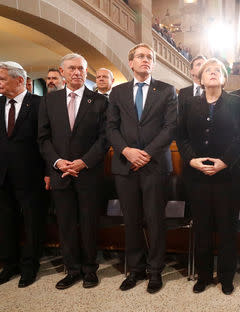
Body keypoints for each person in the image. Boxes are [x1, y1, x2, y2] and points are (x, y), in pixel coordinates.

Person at [106, 43, 177, 293]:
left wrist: (146, 153)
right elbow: (110, 128)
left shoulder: (167, 91)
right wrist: (126, 151)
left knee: (155, 220)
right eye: (141, 56)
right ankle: (134, 269)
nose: (145, 60)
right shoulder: (117, 92)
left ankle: (155, 270)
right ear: (131, 62)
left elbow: (170, 128)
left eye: (150, 57)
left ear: (153, 64)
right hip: (125, 166)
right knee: (132, 220)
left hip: (154, 165)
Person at [38, 53, 108, 290]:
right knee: (66, 224)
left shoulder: (99, 101)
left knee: (88, 224)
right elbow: (43, 138)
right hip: (60, 173)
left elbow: (104, 139)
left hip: (88, 173)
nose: (77, 72)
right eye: (72, 68)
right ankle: (72, 270)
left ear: (86, 72)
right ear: (62, 71)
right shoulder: (49, 101)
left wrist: (83, 162)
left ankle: (90, 270)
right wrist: (58, 162)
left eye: (81, 68)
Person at [177, 58, 240, 295]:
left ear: (225, 79)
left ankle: (226, 276)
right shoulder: (188, 103)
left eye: (218, 71)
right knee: (202, 227)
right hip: (197, 175)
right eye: (209, 71)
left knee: (228, 227)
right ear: (200, 78)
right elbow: (181, 137)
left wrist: (224, 162)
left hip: (228, 175)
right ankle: (204, 275)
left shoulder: (236, 102)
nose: (213, 73)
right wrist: (192, 160)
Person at [0, 61, 45, 288]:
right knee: (6, 221)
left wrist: (48, 172)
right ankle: (9, 264)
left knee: (31, 222)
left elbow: (46, 141)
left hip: (31, 173)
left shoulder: (39, 103)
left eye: (2, 79)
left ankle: (30, 266)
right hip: (3, 174)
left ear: (19, 80)